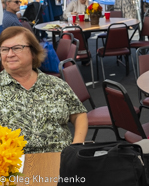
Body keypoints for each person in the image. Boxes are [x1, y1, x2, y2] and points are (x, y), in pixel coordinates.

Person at [0, 26, 88, 154]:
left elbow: (79, 114)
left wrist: (77, 145)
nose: (10, 54)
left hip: (61, 159)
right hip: (14, 165)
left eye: (17, 48)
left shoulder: (55, 85)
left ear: (33, 53)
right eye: (4, 49)